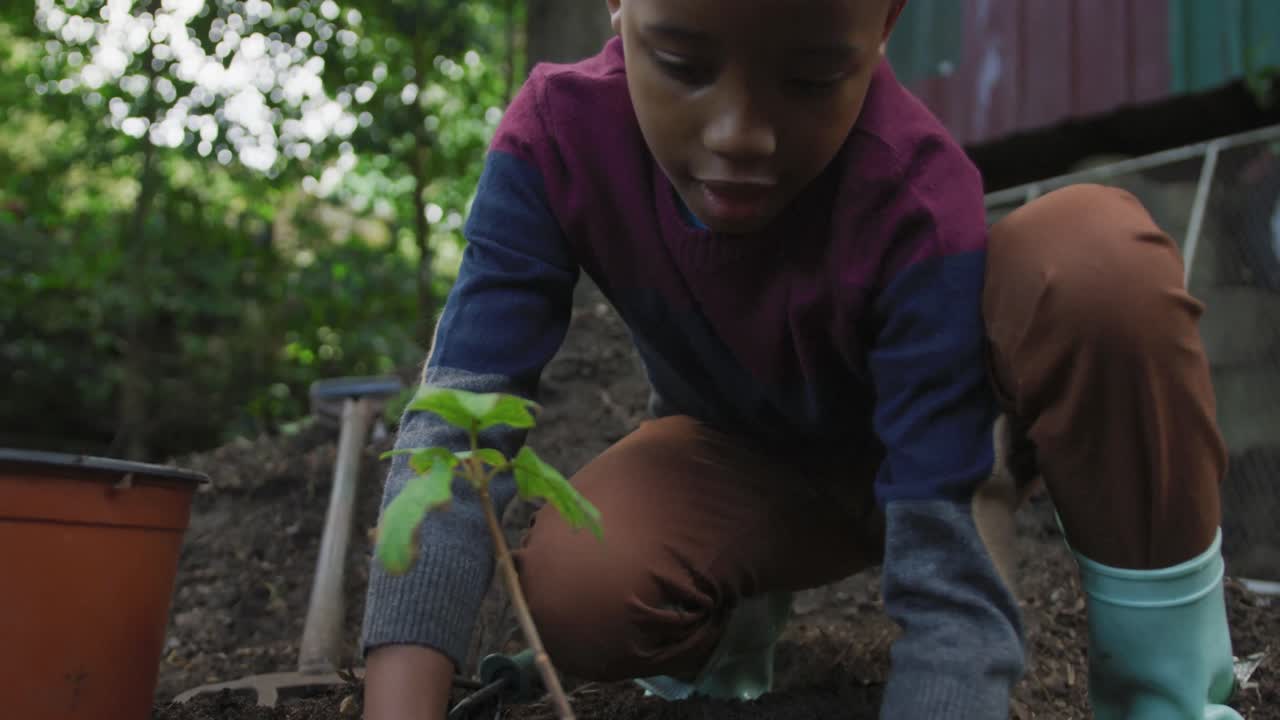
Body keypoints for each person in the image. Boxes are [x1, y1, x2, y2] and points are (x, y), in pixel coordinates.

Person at [361, 1, 1242, 718]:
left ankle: (1166, 693)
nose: (741, 133)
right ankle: (730, 637)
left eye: (812, 77)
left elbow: (949, 573)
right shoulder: (557, 140)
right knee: (584, 581)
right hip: (743, 459)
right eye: (683, 65)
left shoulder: (914, 193)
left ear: (885, 23)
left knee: (1092, 257)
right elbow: (453, 432)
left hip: (948, 457)